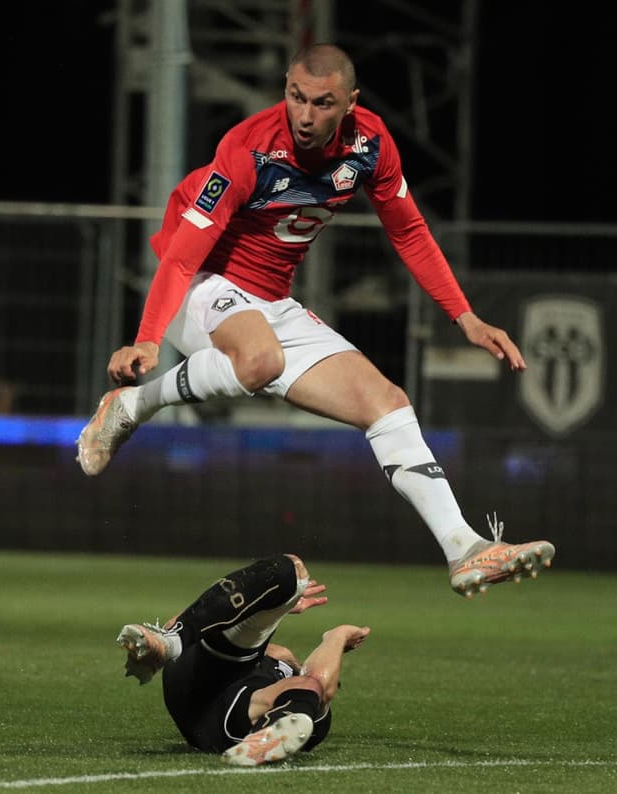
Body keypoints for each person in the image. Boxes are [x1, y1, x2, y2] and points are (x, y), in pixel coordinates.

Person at [76, 43, 553, 599]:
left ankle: (463, 547)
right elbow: (181, 256)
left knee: (388, 404)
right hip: (201, 282)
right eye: (296, 97)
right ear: (285, 87)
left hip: (271, 302)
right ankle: (135, 403)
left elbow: (409, 231)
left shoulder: (371, 145)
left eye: (322, 103)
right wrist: (149, 338)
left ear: (349, 102)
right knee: (259, 360)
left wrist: (465, 316)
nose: (305, 115)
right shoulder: (247, 149)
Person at [116, 553, 370, 766]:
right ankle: (170, 641)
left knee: (288, 571)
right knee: (285, 577)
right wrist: (271, 607)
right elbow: (316, 680)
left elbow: (319, 682)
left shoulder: (307, 701)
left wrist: (337, 636)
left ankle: (171, 640)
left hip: (218, 710)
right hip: (212, 698)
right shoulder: (290, 677)